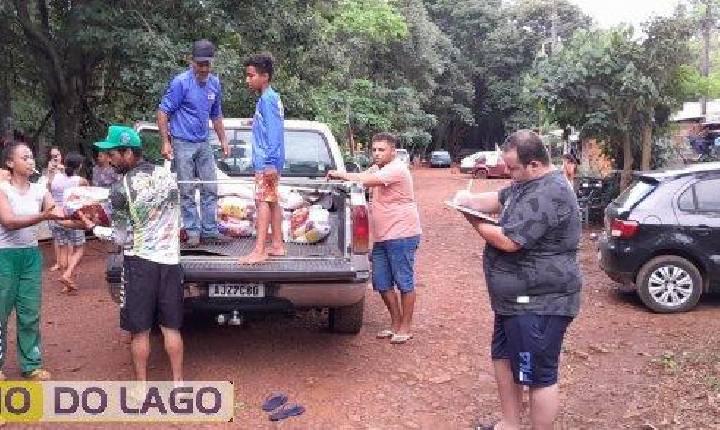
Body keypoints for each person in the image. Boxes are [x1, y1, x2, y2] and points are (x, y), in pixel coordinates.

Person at [453, 130, 581, 430]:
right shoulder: (526, 183)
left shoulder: (550, 191)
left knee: (537, 373)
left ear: (534, 164)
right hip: (513, 301)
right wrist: (469, 199)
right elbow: (498, 198)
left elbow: (509, 241)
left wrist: (469, 216)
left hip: (539, 302)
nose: (508, 174)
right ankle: (509, 424)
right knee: (504, 359)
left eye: (512, 168)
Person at [77, 125, 184, 384]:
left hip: (140, 264)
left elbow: (121, 237)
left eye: (112, 153)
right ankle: (179, 383)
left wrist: (94, 228)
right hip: (170, 262)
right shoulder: (166, 176)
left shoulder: (121, 190)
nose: (109, 160)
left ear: (127, 153)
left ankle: (141, 387)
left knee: (141, 331)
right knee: (171, 328)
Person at [327, 133, 422, 344]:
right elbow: (361, 178)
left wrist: (341, 174)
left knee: (404, 282)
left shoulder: (396, 169)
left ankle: (405, 327)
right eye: (374, 150)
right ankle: (395, 323)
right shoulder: (377, 168)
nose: (377, 154)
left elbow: (363, 180)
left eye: (382, 150)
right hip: (383, 236)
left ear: (392, 152)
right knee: (381, 282)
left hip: (402, 234)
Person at [0, 141, 68, 381]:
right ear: (10, 163)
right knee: (0, 312)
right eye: (24, 157)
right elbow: (8, 221)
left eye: (31, 157)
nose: (30, 161)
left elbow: (58, 215)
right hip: (4, 256)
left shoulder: (40, 190)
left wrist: (84, 219)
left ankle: (31, 363)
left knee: (30, 312)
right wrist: (45, 215)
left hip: (30, 255)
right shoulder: (2, 189)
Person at [157, 39, 230, 248]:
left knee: (210, 186)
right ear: (192, 62)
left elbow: (216, 115)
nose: (204, 68)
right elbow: (163, 112)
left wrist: (224, 140)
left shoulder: (214, 83)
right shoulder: (181, 82)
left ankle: (210, 231)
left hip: (203, 142)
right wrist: (165, 141)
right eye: (200, 64)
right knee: (187, 189)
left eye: (207, 64)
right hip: (182, 142)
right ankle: (192, 232)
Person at [238, 52, 286, 264]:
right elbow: (268, 126)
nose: (247, 80)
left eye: (251, 75)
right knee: (272, 200)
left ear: (264, 76)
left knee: (262, 201)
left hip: (267, 161)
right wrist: (254, 123)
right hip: (270, 160)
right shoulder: (268, 99)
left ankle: (259, 250)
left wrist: (269, 162)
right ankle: (277, 244)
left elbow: (275, 132)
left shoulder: (267, 99)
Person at [49, 152, 89, 294]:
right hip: (72, 217)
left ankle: (66, 281)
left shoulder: (54, 178)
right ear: (79, 166)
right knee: (79, 248)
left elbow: (49, 192)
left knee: (63, 248)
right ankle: (67, 275)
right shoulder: (81, 181)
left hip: (55, 216)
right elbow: (87, 198)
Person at [44, 146, 65, 272]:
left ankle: (67, 261)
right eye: (53, 156)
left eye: (57, 155)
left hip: (66, 204)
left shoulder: (66, 168)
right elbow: (47, 190)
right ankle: (58, 262)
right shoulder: (46, 171)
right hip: (53, 205)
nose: (56, 157)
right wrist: (50, 174)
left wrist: (63, 171)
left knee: (69, 234)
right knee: (56, 236)